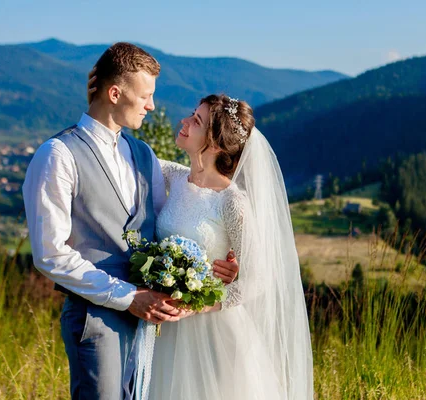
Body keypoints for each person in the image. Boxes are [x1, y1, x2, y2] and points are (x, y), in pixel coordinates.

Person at [23, 43, 239, 400]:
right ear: (114, 93)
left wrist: (216, 265)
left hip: (150, 325)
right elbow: (50, 255)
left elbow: (167, 225)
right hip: (96, 320)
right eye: (146, 96)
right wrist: (127, 297)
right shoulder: (58, 155)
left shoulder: (144, 154)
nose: (152, 106)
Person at [138, 94, 313, 399]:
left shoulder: (232, 202)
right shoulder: (174, 178)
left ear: (216, 144)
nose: (184, 122)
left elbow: (258, 279)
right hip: (163, 328)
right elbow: (133, 157)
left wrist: (201, 304)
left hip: (211, 332)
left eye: (197, 121)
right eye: (192, 115)